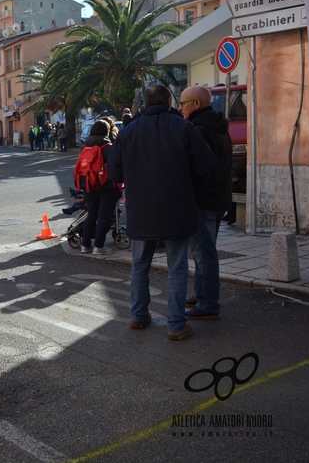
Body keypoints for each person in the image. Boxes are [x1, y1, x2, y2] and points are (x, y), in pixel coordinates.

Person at [107, 84, 216, 341]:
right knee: (177, 266)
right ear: (168, 100)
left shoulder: (128, 132)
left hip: (141, 210)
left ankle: (138, 315)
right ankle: (176, 324)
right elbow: (207, 164)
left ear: (145, 102)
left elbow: (114, 172)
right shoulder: (184, 128)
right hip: (177, 208)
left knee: (139, 264)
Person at [179, 86, 233, 320]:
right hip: (219, 198)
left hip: (204, 200)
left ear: (197, 104)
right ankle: (202, 295)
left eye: (184, 103)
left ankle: (209, 303)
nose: (180, 108)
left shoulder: (199, 129)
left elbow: (199, 169)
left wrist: (192, 195)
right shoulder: (218, 125)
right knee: (204, 251)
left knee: (204, 253)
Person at [79, 120, 121, 255]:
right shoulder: (109, 147)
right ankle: (98, 246)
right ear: (106, 132)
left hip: (89, 185)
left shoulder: (84, 147)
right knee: (104, 216)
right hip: (107, 185)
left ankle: (85, 245)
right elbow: (115, 166)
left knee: (91, 214)